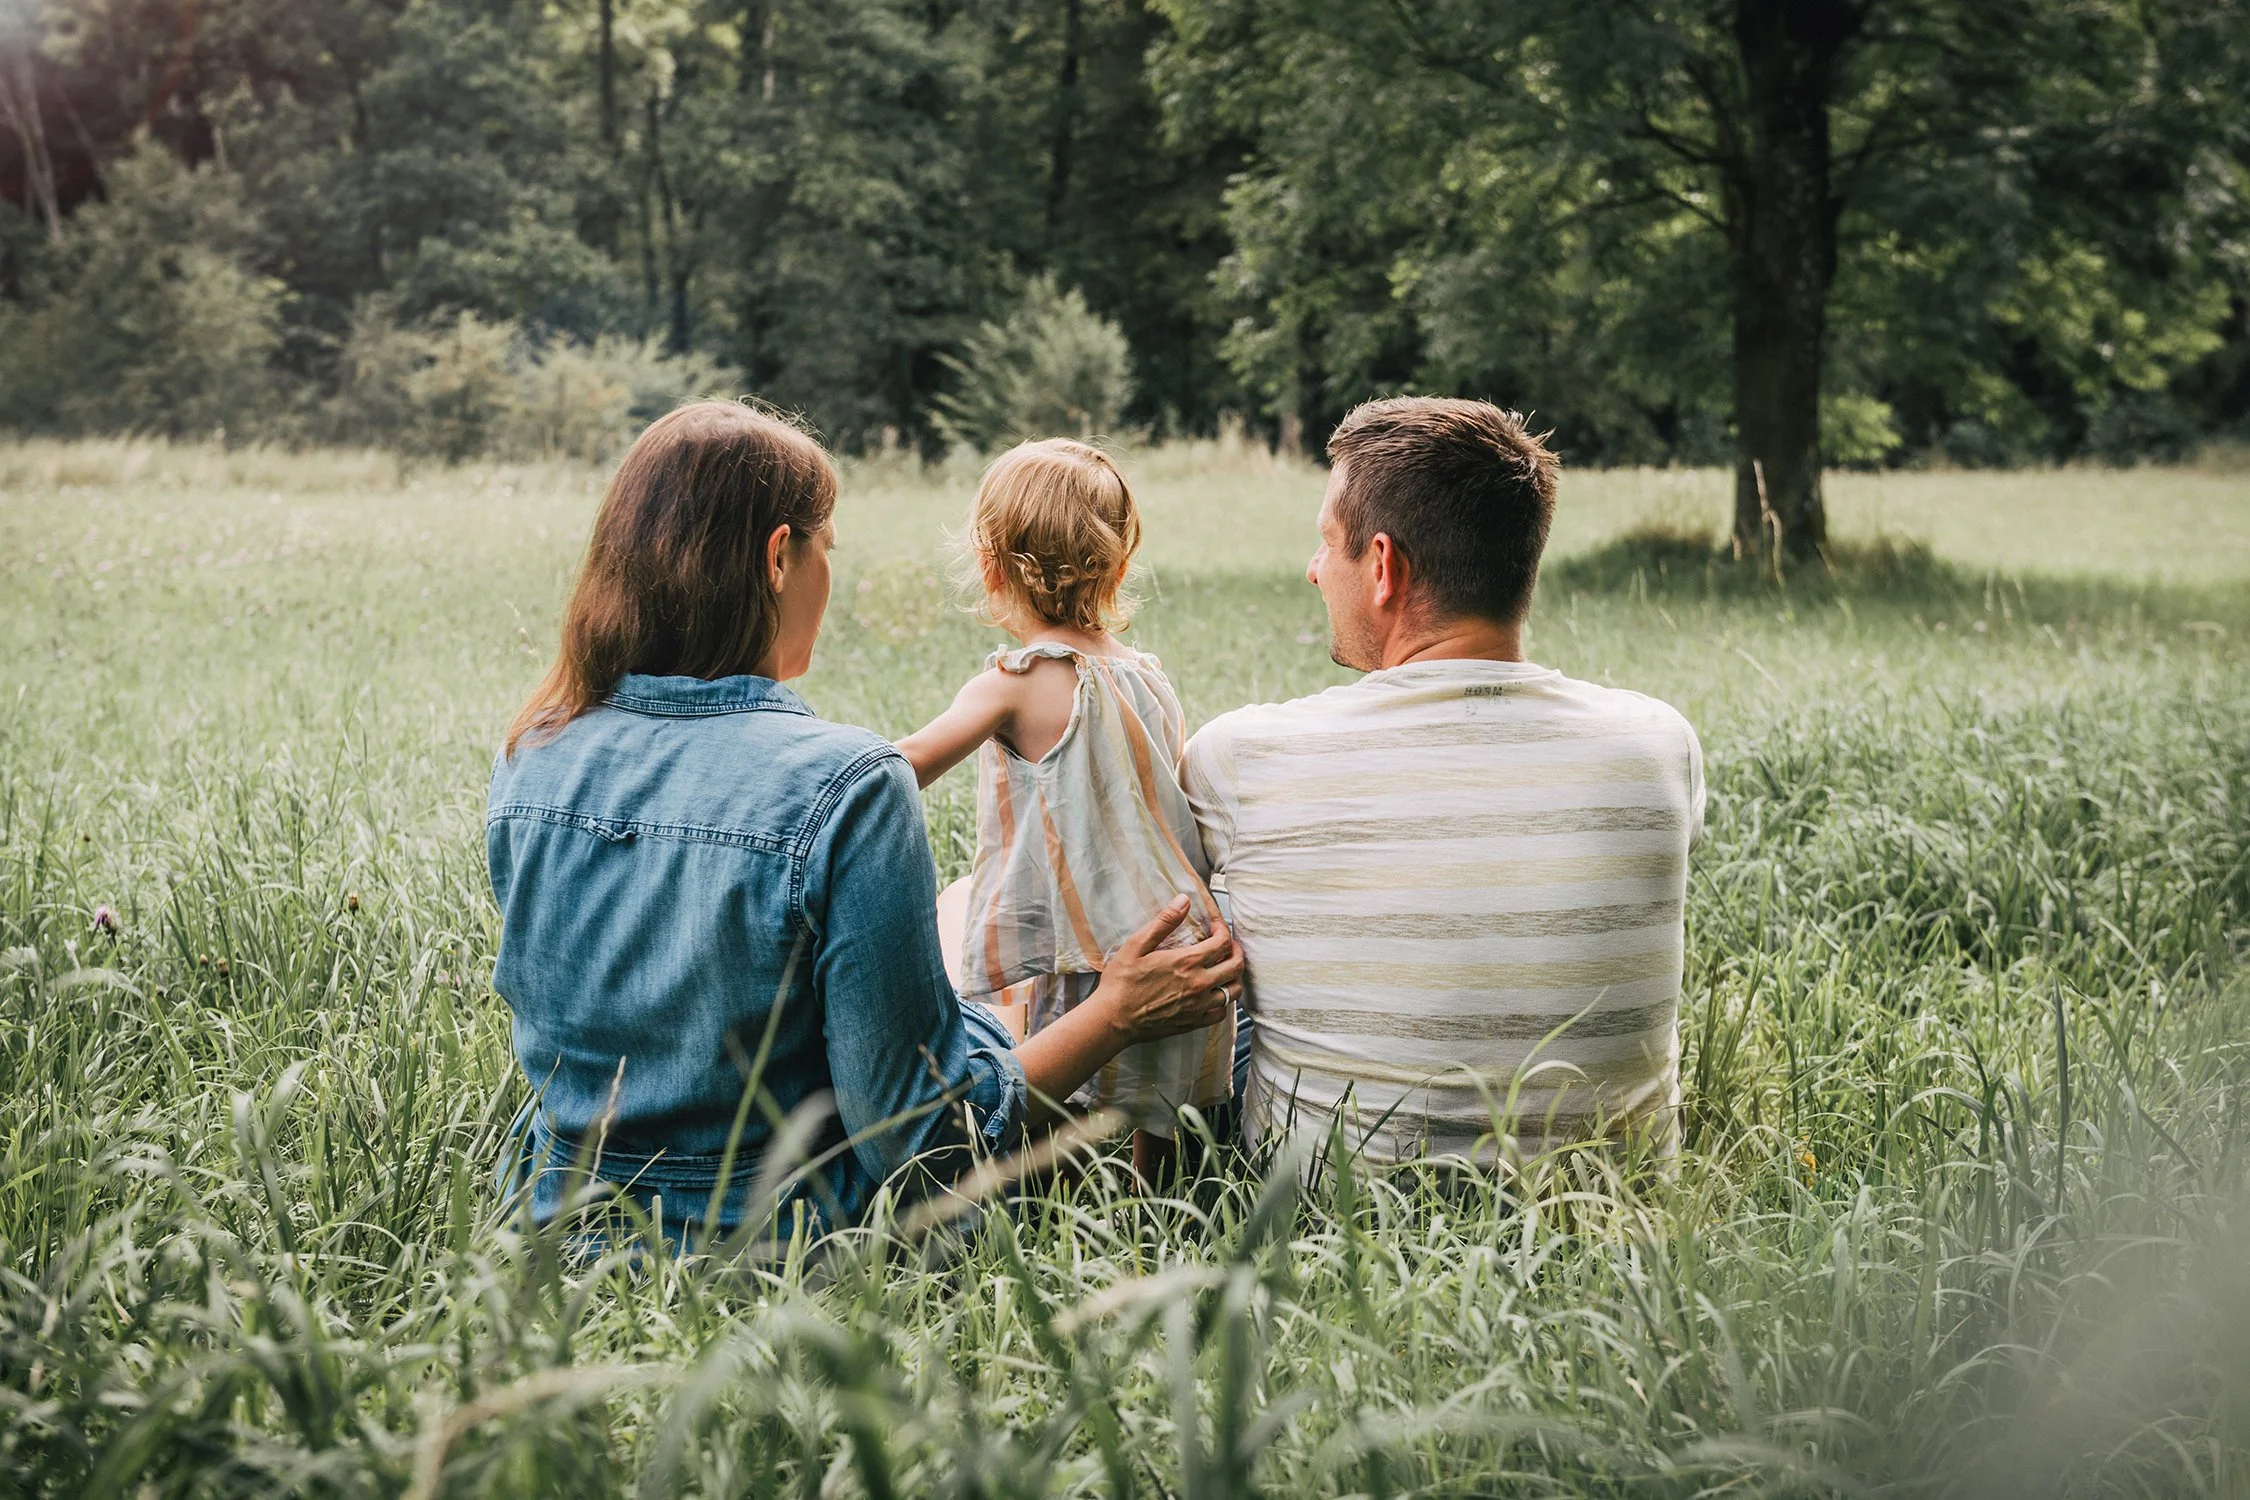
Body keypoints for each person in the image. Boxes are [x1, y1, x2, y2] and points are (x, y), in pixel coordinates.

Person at [485, 403, 1242, 1243]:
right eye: (828, 548)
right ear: (781, 558)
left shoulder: (531, 755)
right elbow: (916, 1146)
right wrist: (1118, 1014)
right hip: (787, 1241)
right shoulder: (847, 784)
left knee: (960, 923)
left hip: (555, 1232)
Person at [1181, 397, 1704, 1164]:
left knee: (1210, 906)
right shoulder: (1660, 742)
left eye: (1329, 543)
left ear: (1385, 567)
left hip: (1334, 1216)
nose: (1315, 569)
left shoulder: (1242, 755)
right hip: (1604, 1205)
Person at [896, 439, 1236, 1184]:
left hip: (1080, 936)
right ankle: (1159, 1216)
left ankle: (1045, 1190)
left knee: (1054, 1092)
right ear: (1118, 564)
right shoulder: (1146, 675)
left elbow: (904, 766)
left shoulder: (1015, 681)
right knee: (1161, 1113)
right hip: (1174, 929)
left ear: (991, 564)